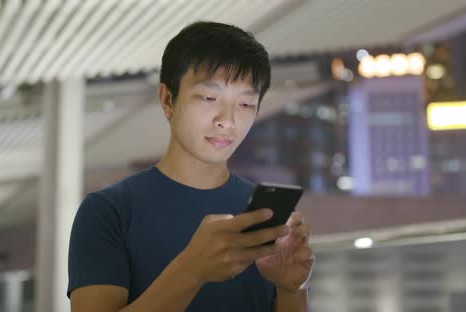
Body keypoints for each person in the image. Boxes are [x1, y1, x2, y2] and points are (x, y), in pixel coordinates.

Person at [68, 21, 315, 312]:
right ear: (167, 99)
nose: (228, 120)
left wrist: (291, 290)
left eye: (246, 104)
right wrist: (191, 270)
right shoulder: (109, 211)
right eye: (209, 98)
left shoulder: (261, 216)